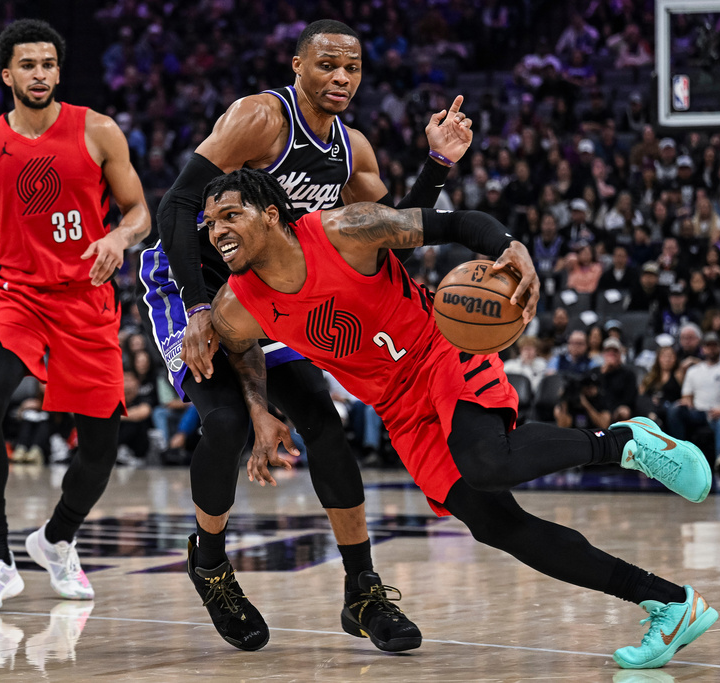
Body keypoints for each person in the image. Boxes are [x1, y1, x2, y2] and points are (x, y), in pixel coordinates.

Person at [204, 167, 718, 670]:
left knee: (487, 461)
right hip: (397, 407)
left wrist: (507, 245)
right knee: (497, 524)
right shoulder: (234, 302)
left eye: (230, 214)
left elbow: (453, 223)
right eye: (210, 223)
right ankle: (669, 605)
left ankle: (625, 440)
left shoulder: (345, 230)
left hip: (442, 347)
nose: (217, 230)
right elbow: (242, 349)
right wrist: (259, 410)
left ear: (270, 214)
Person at [137, 20, 472, 652]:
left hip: (272, 293)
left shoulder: (354, 150)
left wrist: (438, 163)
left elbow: (388, 227)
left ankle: (363, 591)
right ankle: (209, 564)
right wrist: (199, 306)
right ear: (298, 66)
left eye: (352, 68)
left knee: (323, 425)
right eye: (327, 66)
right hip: (194, 280)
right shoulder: (261, 120)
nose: (341, 78)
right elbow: (179, 207)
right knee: (229, 425)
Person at [0, 19, 151, 613]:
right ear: (7, 74)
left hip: (87, 300)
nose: (39, 74)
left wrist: (120, 238)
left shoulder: (98, 131)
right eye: (28, 65)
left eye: (48, 64)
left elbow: (140, 211)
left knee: (101, 446)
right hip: (18, 298)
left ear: (58, 72)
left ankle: (57, 539)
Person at [666, 332, 720, 474]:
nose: (711, 349)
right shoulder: (693, 371)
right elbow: (687, 395)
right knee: (675, 410)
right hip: (698, 412)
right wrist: (687, 402)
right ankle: (679, 455)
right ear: (703, 348)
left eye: (714, 345)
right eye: (708, 346)